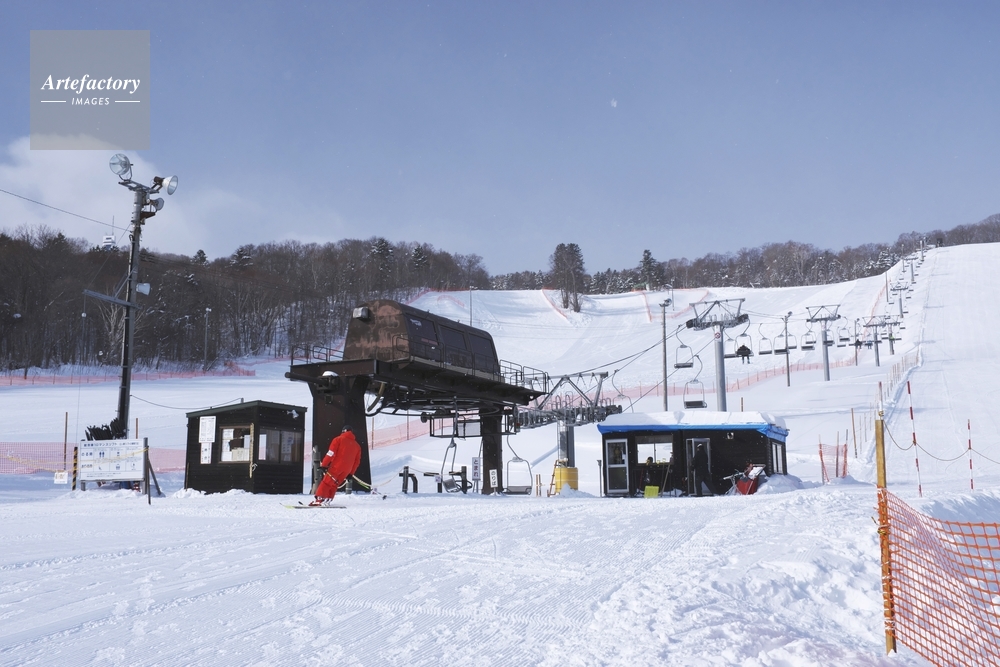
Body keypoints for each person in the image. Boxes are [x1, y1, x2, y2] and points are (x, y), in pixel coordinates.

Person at [310, 425, 362, 506]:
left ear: (343, 431)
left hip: (336, 466)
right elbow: (357, 462)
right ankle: (328, 499)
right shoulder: (357, 446)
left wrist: (324, 465)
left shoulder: (338, 439)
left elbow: (330, 453)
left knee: (326, 482)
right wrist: (350, 474)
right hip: (347, 470)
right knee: (334, 484)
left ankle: (319, 500)